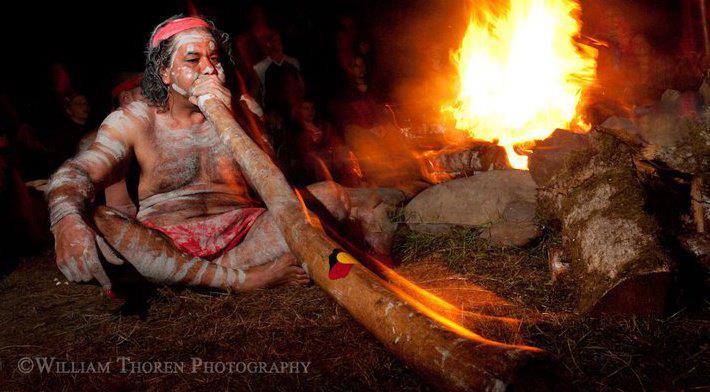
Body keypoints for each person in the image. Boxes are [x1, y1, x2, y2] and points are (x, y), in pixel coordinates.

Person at [47, 16, 394, 296]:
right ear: (165, 73)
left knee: (330, 197)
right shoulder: (137, 118)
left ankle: (216, 277)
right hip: (170, 242)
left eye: (214, 58)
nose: (209, 69)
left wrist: (229, 118)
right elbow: (76, 172)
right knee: (98, 219)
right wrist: (65, 220)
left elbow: (275, 189)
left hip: (245, 234)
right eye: (193, 59)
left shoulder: (242, 111)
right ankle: (247, 279)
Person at [77, 73, 143, 217]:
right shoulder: (98, 140)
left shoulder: (155, 128)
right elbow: (120, 208)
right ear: (126, 98)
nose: (155, 97)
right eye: (145, 92)